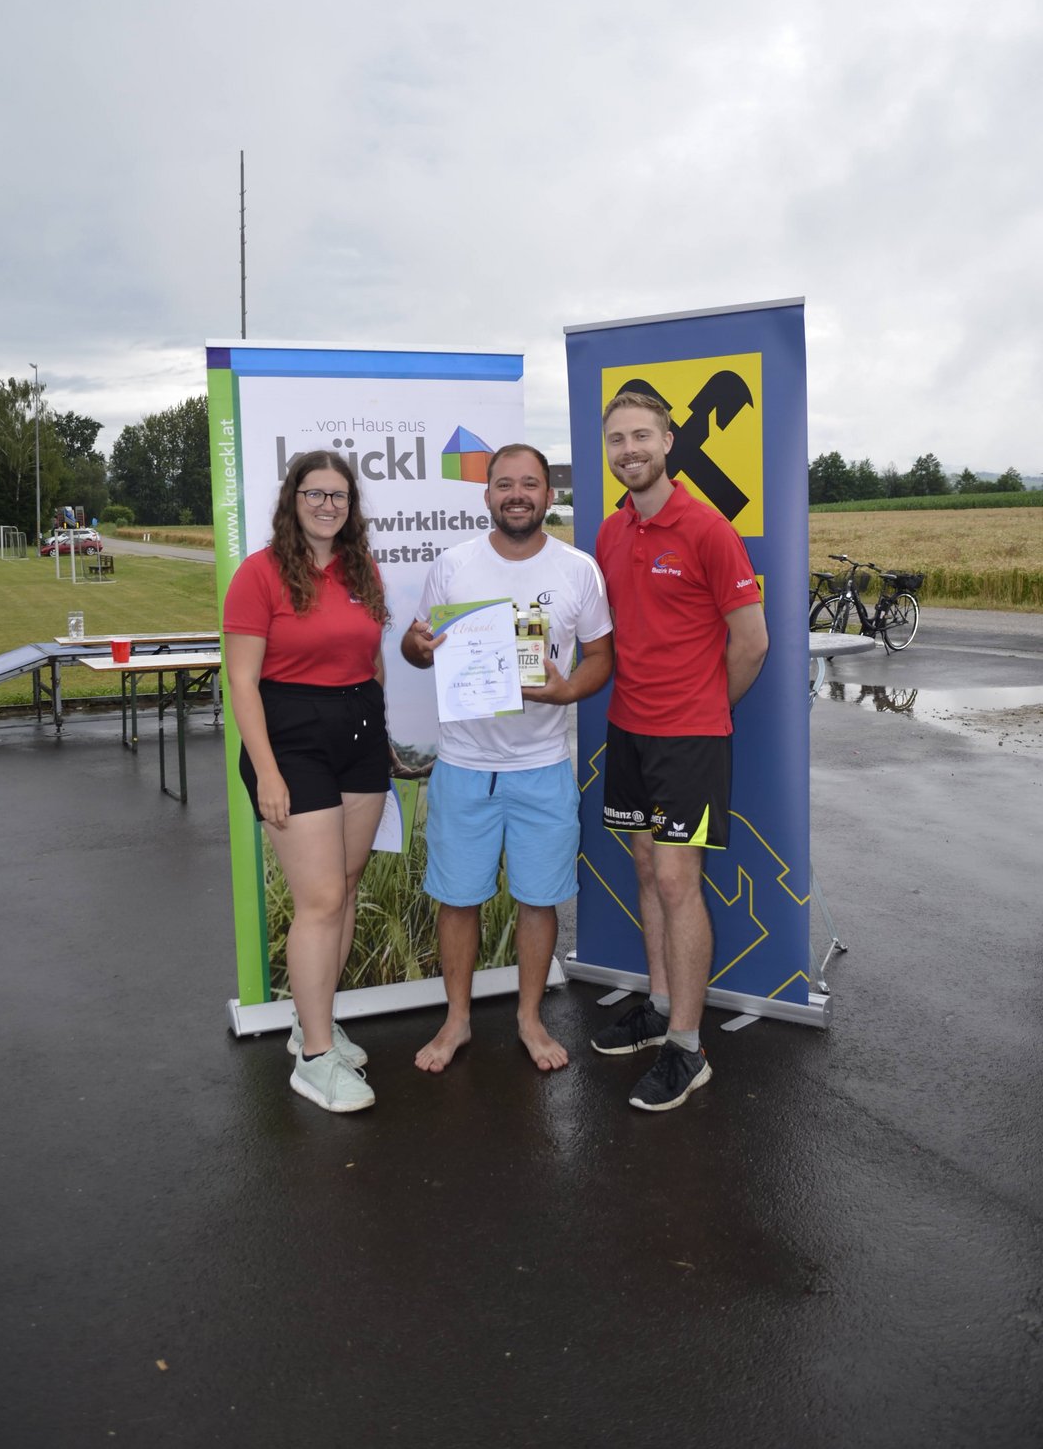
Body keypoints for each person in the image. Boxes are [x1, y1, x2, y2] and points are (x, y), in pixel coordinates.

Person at [401, 444, 613, 1074]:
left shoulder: (579, 570)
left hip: (542, 766)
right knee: (457, 898)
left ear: (549, 494)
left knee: (538, 899)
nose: (516, 495)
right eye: (504, 484)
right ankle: (457, 1020)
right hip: (464, 765)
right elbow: (417, 645)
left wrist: (567, 691)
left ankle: (528, 1018)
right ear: (487, 494)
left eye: (530, 484)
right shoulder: (453, 565)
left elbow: (601, 657)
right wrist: (417, 645)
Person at [591, 391, 769, 1112]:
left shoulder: (707, 528)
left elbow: (752, 642)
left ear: (667, 441)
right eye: (617, 439)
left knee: (675, 880)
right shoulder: (610, 531)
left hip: (688, 738)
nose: (629, 449)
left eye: (642, 435)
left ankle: (688, 1048)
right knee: (645, 868)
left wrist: (704, 711)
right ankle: (661, 1007)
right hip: (628, 728)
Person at [223, 450, 391, 1114]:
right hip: (291, 738)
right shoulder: (260, 573)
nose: (328, 505)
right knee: (320, 898)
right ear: (293, 500)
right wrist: (266, 770)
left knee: (344, 888)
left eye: (339, 495)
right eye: (315, 494)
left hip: (360, 731)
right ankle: (316, 1060)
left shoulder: (362, 568)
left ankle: (310, 1022)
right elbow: (242, 681)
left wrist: (382, 736)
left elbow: (371, 659)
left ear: (352, 505)